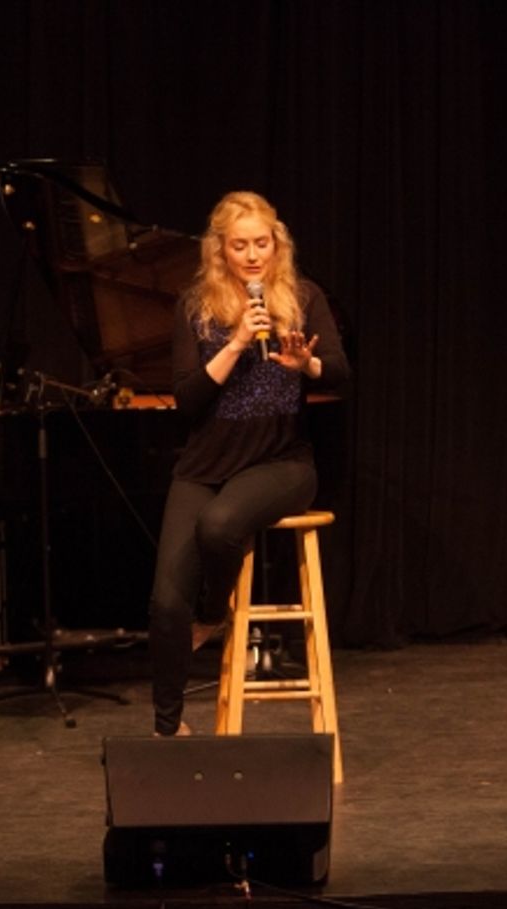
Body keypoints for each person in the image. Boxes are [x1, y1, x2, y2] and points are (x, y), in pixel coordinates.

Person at [149, 191, 350, 736]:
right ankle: (168, 727)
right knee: (166, 603)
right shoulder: (195, 307)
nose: (254, 255)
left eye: (262, 243)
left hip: (282, 462)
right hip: (205, 463)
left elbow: (338, 373)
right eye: (241, 246)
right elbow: (188, 401)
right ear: (222, 251)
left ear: (276, 244)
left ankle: (214, 613)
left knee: (219, 527)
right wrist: (236, 342)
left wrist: (305, 363)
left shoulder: (304, 296)